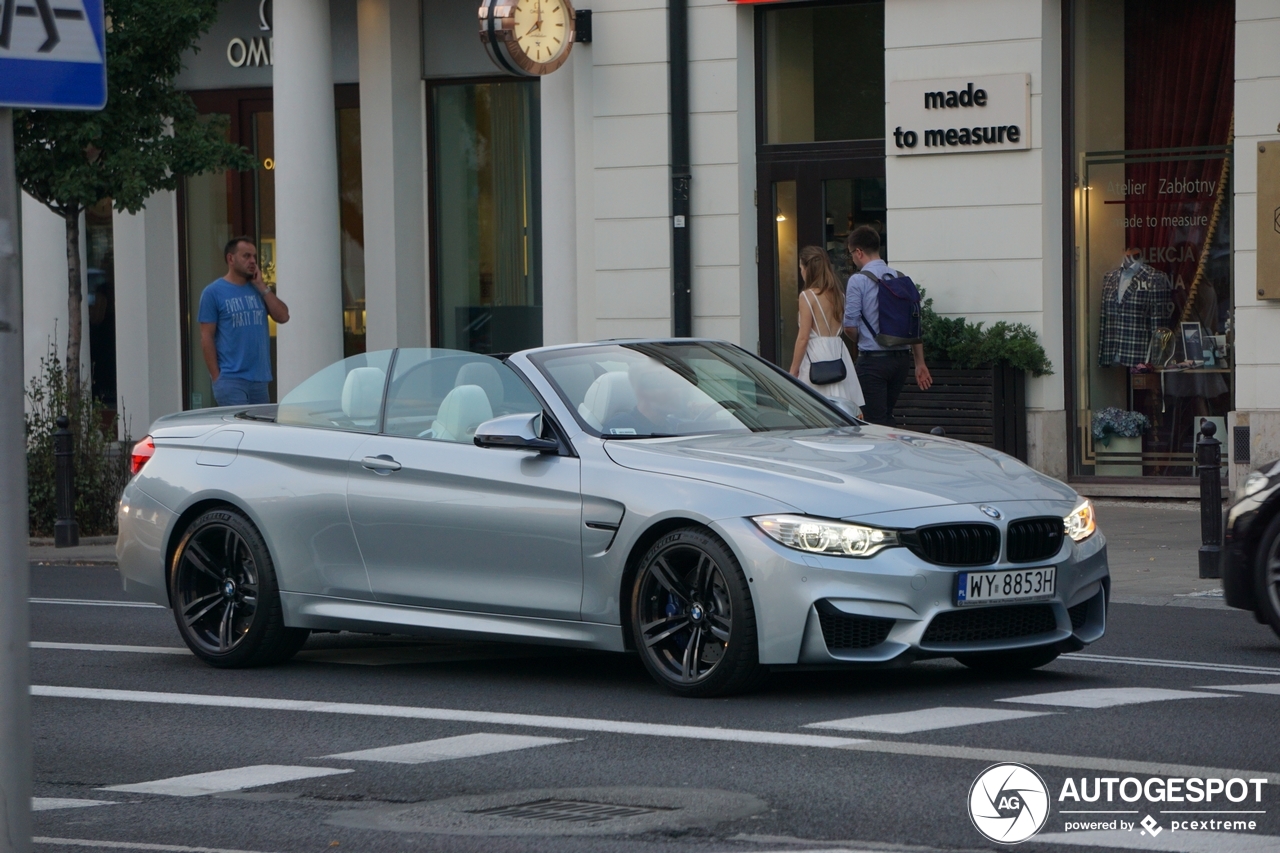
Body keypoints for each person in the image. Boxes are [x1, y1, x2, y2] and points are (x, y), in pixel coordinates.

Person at [842, 225, 932, 426]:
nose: (852, 259)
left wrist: (864, 337)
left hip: (873, 362)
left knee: (872, 423)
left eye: (851, 254)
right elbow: (914, 323)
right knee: (887, 417)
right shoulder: (900, 278)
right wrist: (920, 363)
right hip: (901, 362)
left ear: (859, 252)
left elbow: (850, 326)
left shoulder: (858, 281)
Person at [199, 236, 290, 406]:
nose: (253, 261)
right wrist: (217, 377)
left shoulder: (259, 290)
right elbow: (206, 337)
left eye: (254, 256)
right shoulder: (213, 293)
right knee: (238, 430)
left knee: (260, 432)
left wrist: (262, 286)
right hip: (231, 379)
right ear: (230, 259)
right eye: (246, 256)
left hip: (260, 380)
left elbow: (283, 316)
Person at [788, 246, 864, 414]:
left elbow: (803, 338)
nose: (801, 272)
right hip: (838, 353)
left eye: (801, 268)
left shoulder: (807, 296)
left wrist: (793, 371)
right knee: (843, 411)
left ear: (807, 268)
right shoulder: (839, 295)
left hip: (815, 356)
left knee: (812, 412)